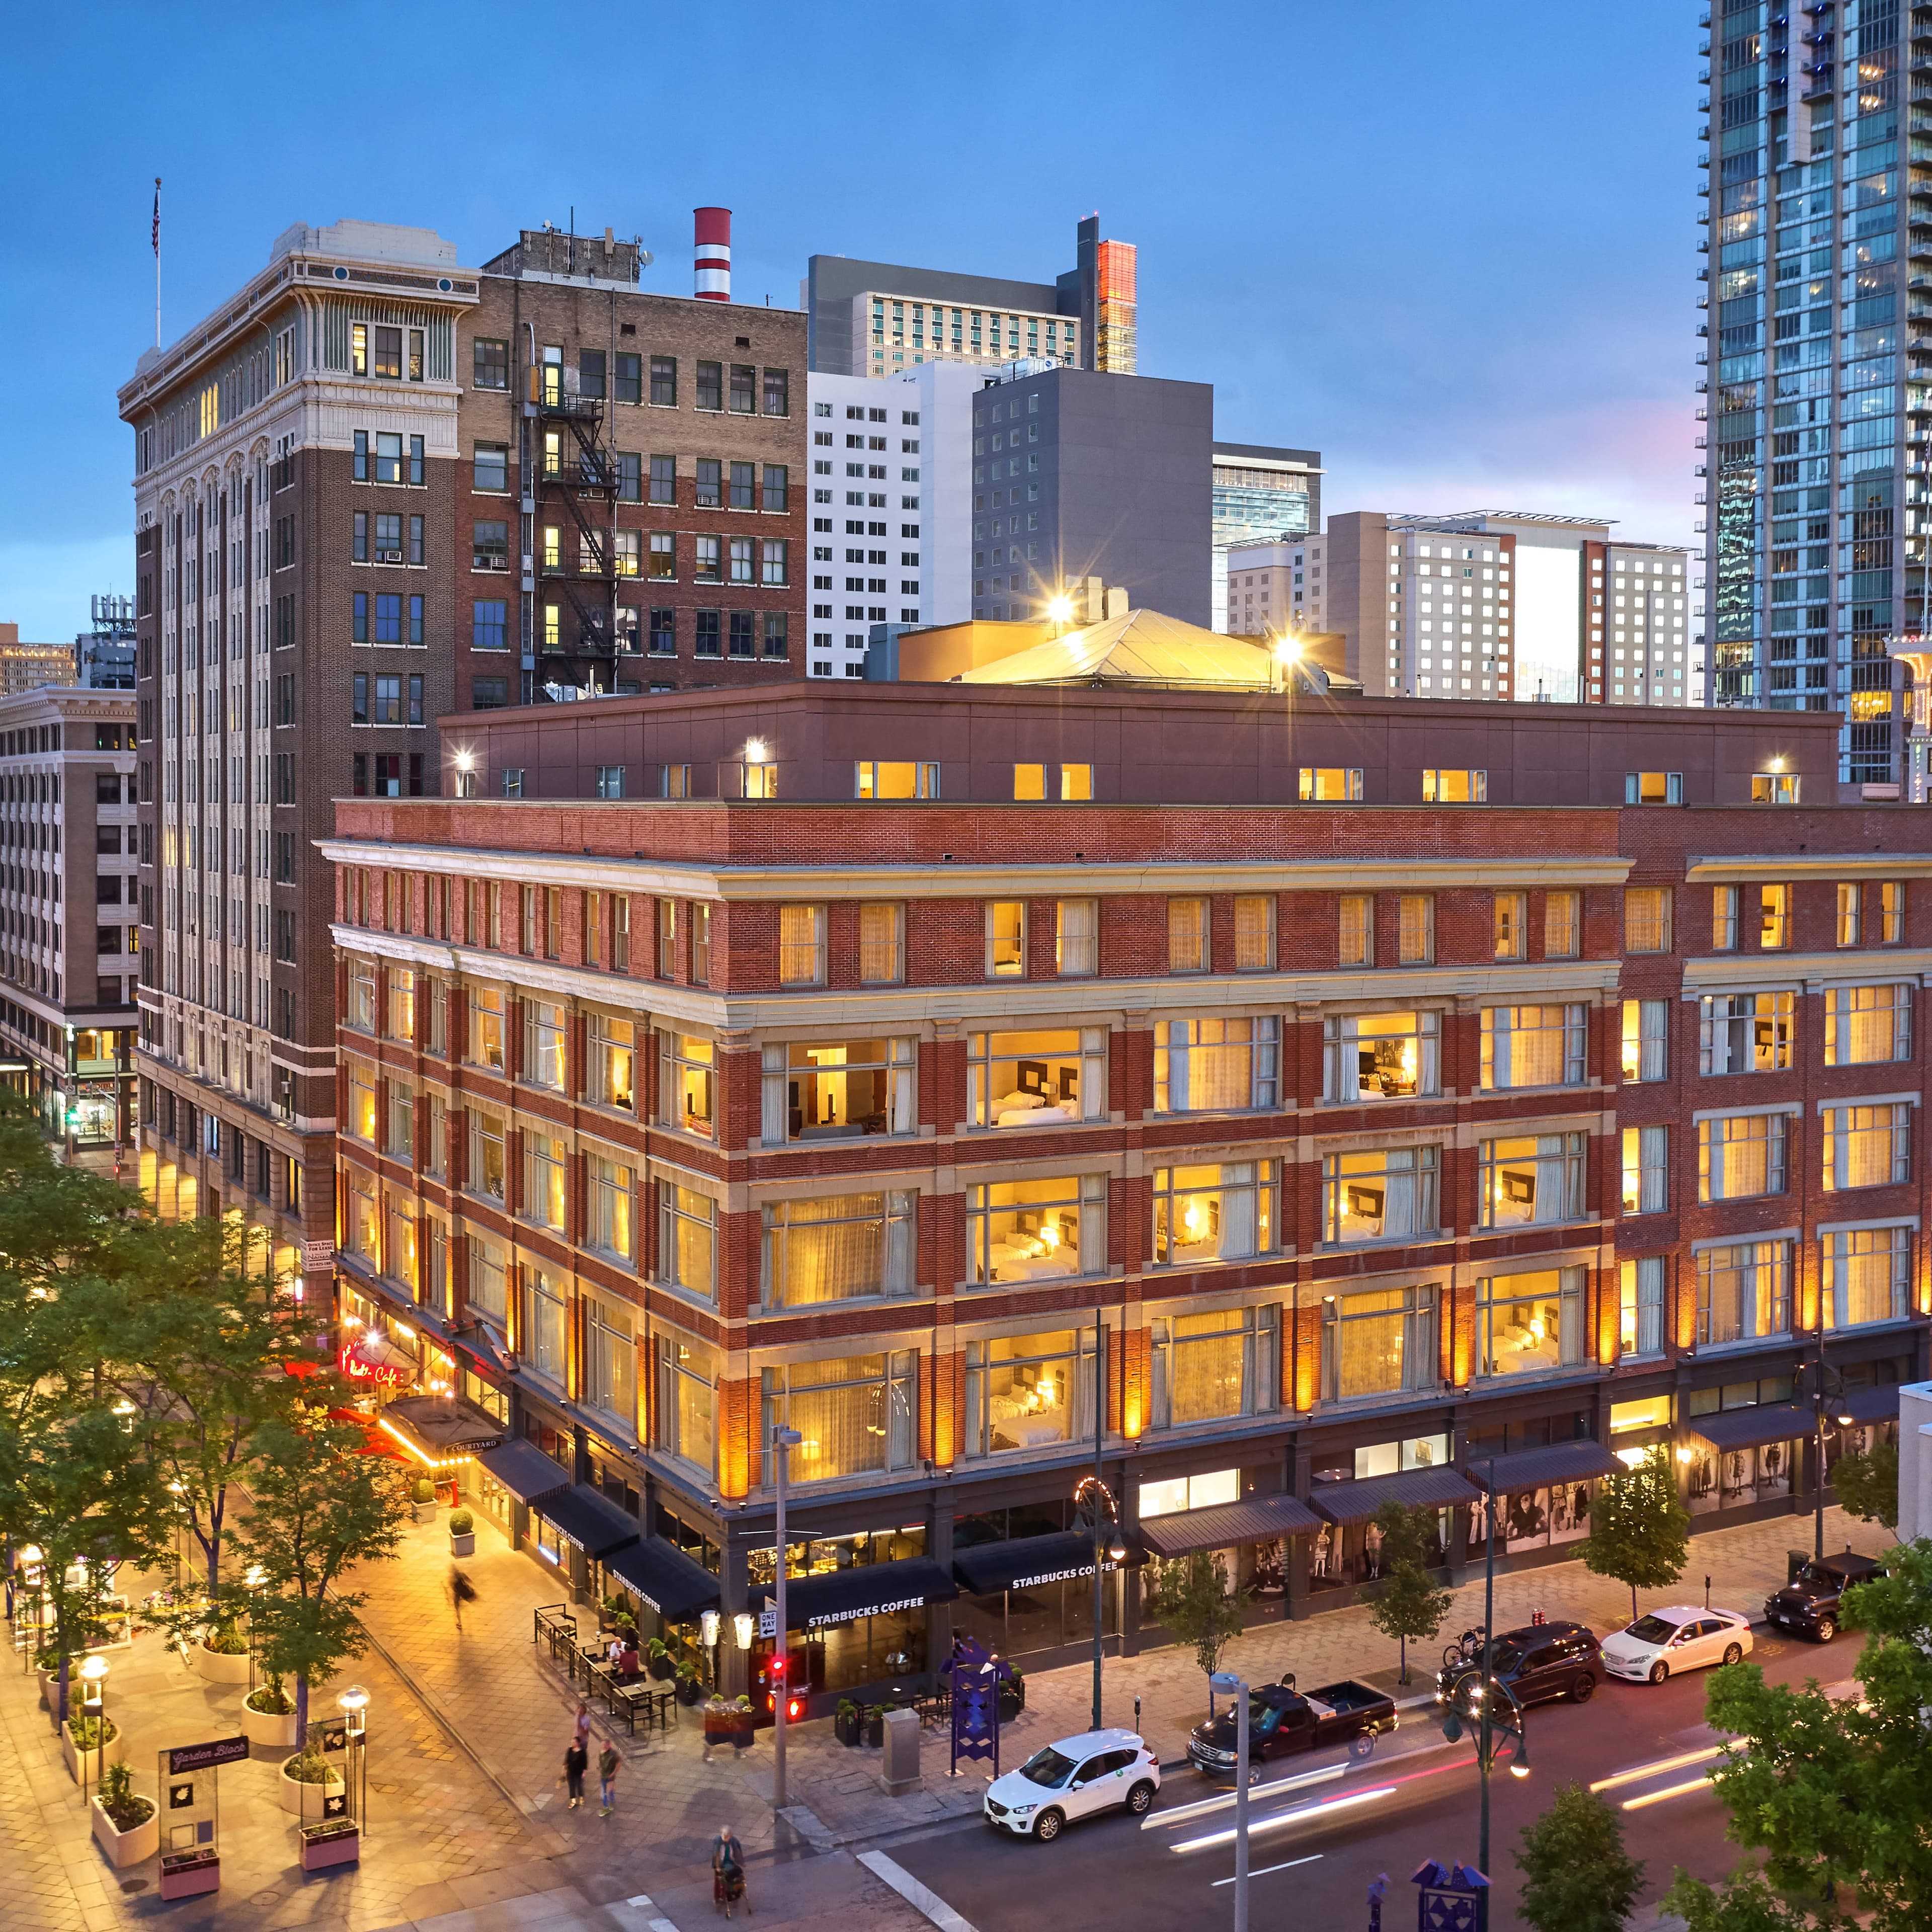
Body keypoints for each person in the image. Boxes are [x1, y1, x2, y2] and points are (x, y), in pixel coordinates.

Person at [597, 1739, 622, 1816]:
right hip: (604, 1775)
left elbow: (619, 1763)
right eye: (602, 1745)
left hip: (610, 1776)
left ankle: (606, 1808)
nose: (603, 1747)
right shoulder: (602, 1752)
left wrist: (614, 1773)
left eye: (605, 1745)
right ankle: (611, 1801)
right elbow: (601, 1761)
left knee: (604, 1793)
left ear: (609, 1745)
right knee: (607, 1791)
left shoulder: (614, 1754)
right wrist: (600, 1766)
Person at [563, 1736, 588, 1809]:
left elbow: (585, 1763)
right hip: (570, 1772)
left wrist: (584, 1772)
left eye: (574, 1742)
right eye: (572, 1742)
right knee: (571, 1787)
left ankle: (581, 1799)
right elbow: (566, 1761)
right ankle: (573, 1801)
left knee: (579, 1786)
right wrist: (564, 1771)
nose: (572, 1744)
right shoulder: (570, 1750)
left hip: (579, 1773)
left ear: (578, 1743)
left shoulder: (582, 1752)